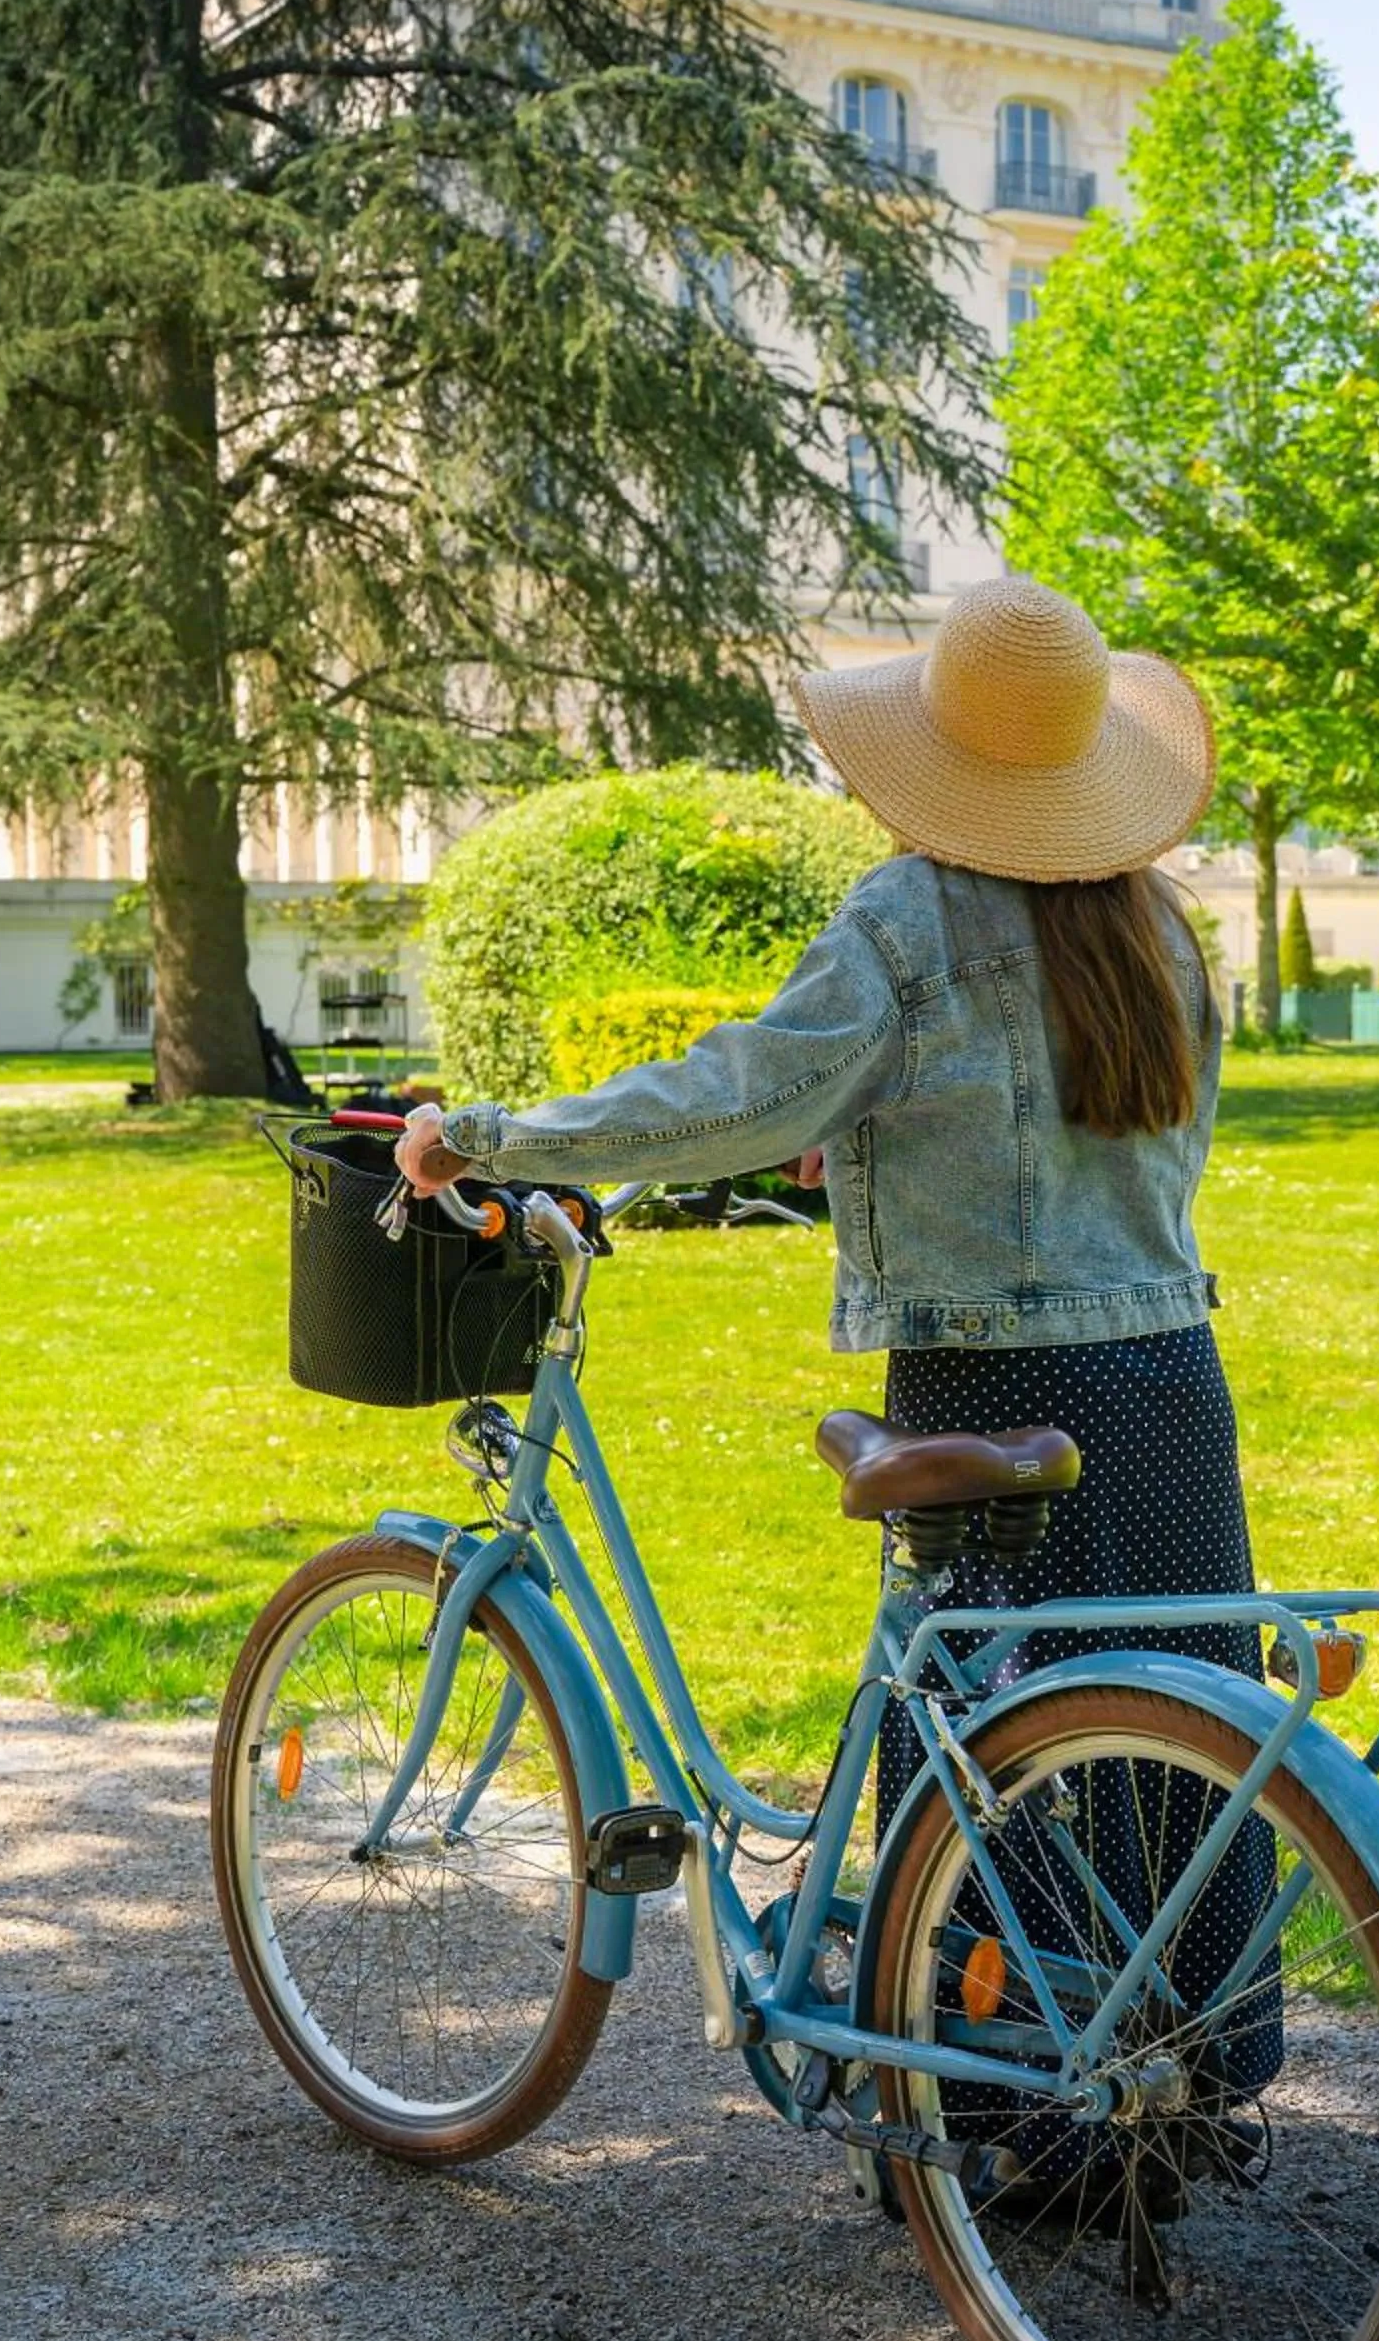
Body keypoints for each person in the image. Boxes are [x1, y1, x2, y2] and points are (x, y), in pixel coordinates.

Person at [393, 577, 1271, 2103]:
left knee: (991, 1764)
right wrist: (874, 1142)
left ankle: (991, 2110)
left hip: (996, 1380)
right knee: (1157, 1746)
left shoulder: (912, 917)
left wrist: (494, 1137)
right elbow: (1100, 1139)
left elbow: (735, 1091)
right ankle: (1172, 2087)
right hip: (1166, 1385)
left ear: (941, 757)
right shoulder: (1158, 928)